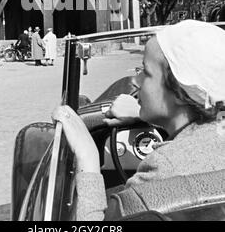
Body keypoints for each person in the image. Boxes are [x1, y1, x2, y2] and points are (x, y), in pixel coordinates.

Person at [52, 20, 225, 221]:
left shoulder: (163, 167)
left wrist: (88, 158)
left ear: (179, 92)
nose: (135, 80)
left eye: (146, 72)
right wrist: (142, 114)